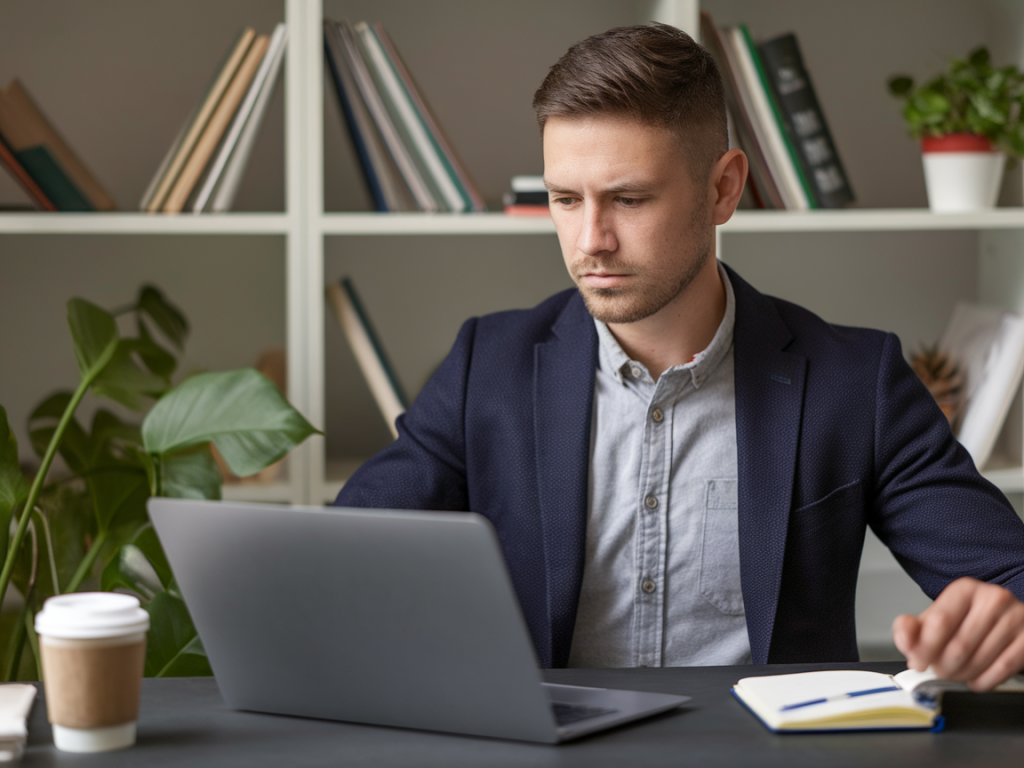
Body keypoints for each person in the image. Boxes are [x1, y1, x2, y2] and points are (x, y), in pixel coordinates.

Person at [335, 24, 1024, 690]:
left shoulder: (855, 381)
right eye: (564, 200)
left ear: (723, 188)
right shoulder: (485, 366)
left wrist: (1002, 619)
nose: (590, 240)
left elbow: (1012, 580)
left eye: (628, 199)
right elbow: (338, 565)